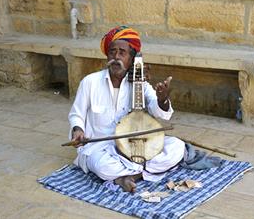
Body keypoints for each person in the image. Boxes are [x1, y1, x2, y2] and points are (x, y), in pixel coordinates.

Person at [68, 26, 185, 192]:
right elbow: (76, 114)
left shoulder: (140, 84)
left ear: (132, 58)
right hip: (102, 147)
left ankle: (130, 176)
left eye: (122, 53)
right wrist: (78, 130)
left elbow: (161, 112)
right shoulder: (90, 82)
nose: (116, 57)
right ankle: (143, 171)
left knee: (177, 147)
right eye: (112, 52)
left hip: (134, 144)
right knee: (103, 166)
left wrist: (163, 99)